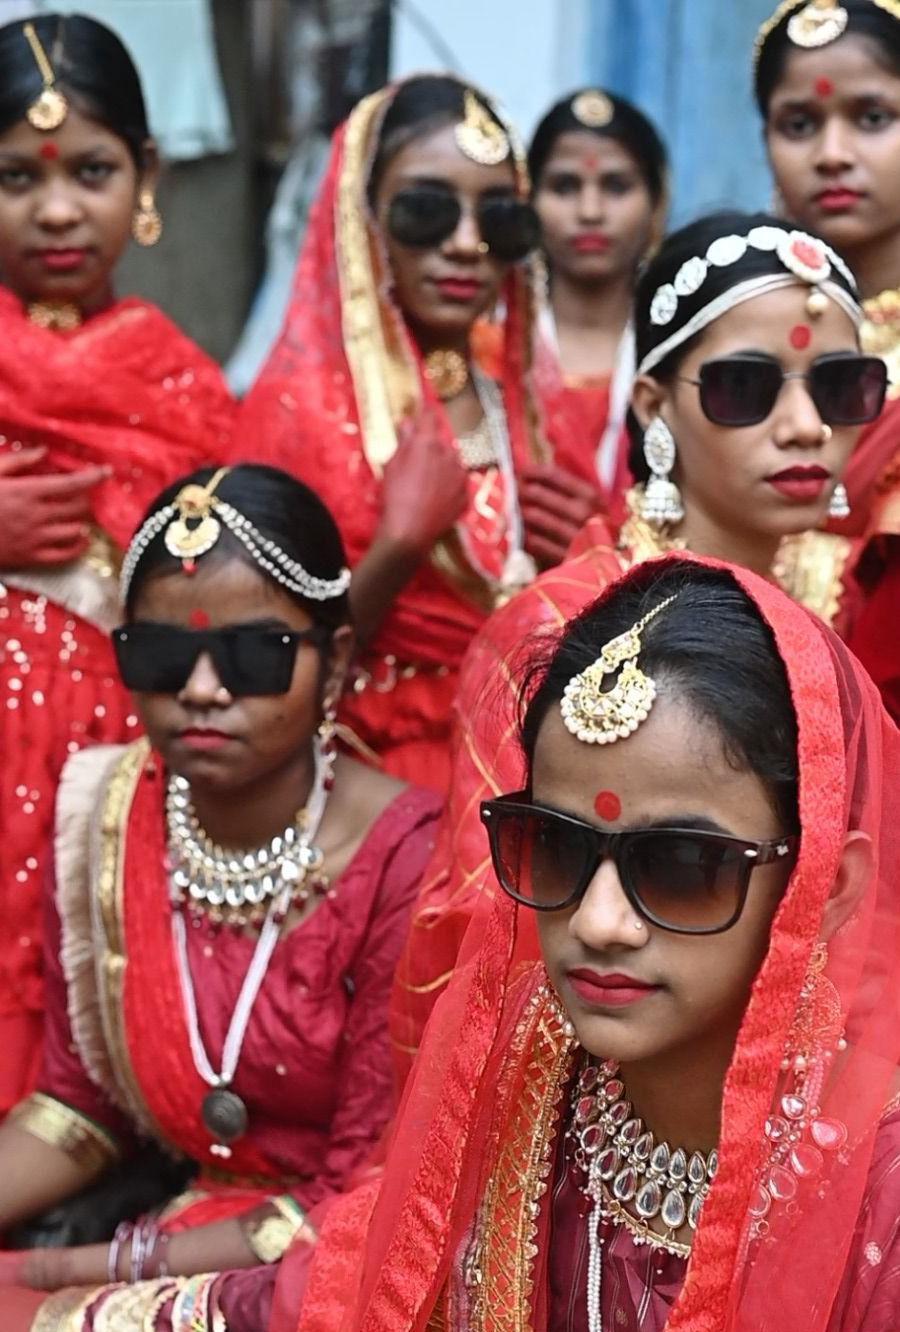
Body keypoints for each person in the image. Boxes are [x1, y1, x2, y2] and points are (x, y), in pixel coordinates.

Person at [279, 556, 900, 1332]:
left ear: (828, 887)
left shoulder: (879, 1205)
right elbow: (349, 1282)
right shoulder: (518, 1072)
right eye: (558, 846)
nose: (598, 922)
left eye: (680, 865)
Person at [389, 207, 888, 1073]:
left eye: (841, 388)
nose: (807, 425)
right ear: (655, 406)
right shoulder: (563, 630)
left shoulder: (825, 613)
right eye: (747, 387)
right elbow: (489, 934)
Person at [0, 464, 441, 1330]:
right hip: (173, 1230)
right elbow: (80, 1103)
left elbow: (357, 1195)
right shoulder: (105, 812)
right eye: (162, 655)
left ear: (337, 657)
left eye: (252, 654)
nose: (202, 688)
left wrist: (57, 1272)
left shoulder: (406, 859)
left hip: (336, 1271)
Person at [239, 74, 603, 793]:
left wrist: (587, 561)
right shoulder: (294, 413)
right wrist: (398, 548)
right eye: (427, 211)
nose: (467, 245)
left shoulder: (535, 414)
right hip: (365, 785)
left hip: (531, 776)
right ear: (362, 219)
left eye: (499, 219)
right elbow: (250, 662)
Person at [0, 12, 235, 1114]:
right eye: (15, 176)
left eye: (91, 171)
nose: (56, 209)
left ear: (144, 176)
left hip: (112, 782)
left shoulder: (183, 390)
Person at [755, 0, 900, 720]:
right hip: (744, 697)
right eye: (800, 124)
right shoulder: (734, 336)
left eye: (872, 117)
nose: (832, 153)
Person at [528, 88, 668, 524]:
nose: (590, 211)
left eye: (616, 186)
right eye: (565, 186)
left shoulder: (676, 352)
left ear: (656, 205)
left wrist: (605, 536)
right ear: (526, 200)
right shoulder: (491, 348)